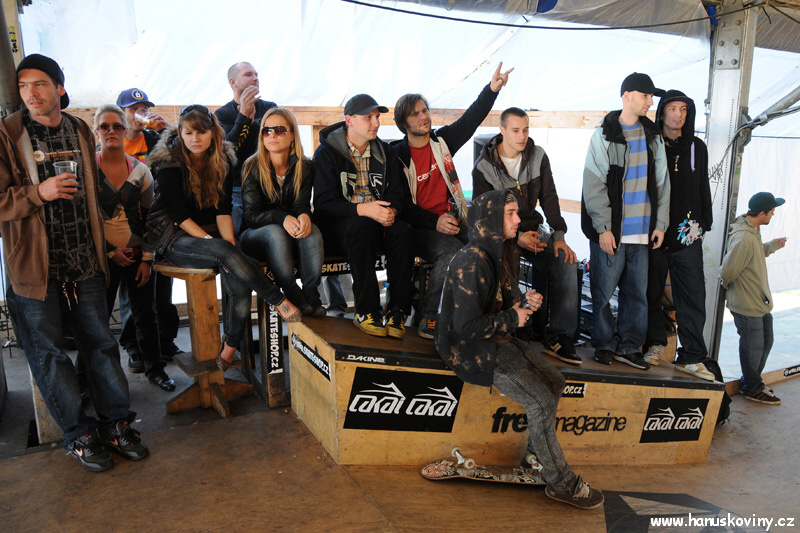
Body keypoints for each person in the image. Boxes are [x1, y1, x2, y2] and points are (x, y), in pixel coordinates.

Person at [0, 54, 148, 472]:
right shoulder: (7, 135)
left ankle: (116, 424)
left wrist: (118, 240)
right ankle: (79, 434)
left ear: (59, 88)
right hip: (35, 268)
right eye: (24, 85)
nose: (31, 93)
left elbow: (94, 191)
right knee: (49, 354)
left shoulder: (79, 128)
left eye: (40, 84)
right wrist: (38, 193)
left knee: (101, 345)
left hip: (84, 260)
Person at [435, 189, 603, 509]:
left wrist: (523, 303)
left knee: (555, 382)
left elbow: (499, 303)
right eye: (510, 214)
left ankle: (535, 457)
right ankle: (563, 483)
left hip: (496, 338)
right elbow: (466, 327)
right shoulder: (473, 260)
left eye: (517, 212)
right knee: (540, 401)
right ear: (490, 219)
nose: (518, 220)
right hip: (472, 349)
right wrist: (513, 316)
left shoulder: (500, 250)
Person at [147, 105, 301, 372]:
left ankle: (229, 348)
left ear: (213, 133)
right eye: (189, 133)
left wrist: (229, 243)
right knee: (225, 251)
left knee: (237, 276)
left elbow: (223, 209)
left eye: (201, 132)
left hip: (213, 233)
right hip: (174, 236)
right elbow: (180, 216)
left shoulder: (223, 159)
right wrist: (216, 244)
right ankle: (278, 299)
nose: (195, 138)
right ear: (180, 134)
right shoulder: (168, 162)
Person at [392, 62, 513, 340]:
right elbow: (402, 206)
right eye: (415, 114)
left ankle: (488, 317)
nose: (424, 117)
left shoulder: (442, 141)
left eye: (425, 110)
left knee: (489, 244)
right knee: (451, 253)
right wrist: (434, 221)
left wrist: (492, 89)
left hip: (452, 220)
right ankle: (430, 319)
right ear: (403, 123)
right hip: (419, 227)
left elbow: (471, 119)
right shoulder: (396, 155)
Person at [474, 107, 581, 365]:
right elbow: (483, 216)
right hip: (504, 236)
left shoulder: (538, 155)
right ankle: (511, 328)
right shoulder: (484, 167)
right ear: (502, 131)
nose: (522, 136)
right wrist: (517, 236)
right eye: (515, 130)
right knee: (504, 265)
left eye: (525, 130)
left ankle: (559, 338)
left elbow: (550, 197)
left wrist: (559, 237)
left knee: (566, 260)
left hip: (534, 230)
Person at [582, 72, 670, 370]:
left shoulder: (653, 136)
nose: (650, 102)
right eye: (646, 96)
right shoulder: (604, 135)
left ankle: (630, 346)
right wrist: (603, 228)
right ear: (627, 96)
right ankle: (605, 344)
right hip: (613, 232)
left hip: (643, 232)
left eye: (651, 97)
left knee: (637, 295)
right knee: (603, 293)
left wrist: (660, 224)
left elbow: (662, 183)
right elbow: (593, 184)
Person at [313, 94, 412, 338]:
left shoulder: (386, 152)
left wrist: (392, 211)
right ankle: (366, 311)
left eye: (377, 117)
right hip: (339, 229)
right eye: (368, 117)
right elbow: (324, 205)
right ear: (349, 120)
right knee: (360, 226)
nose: (376, 123)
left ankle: (398, 311)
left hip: (376, 223)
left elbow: (398, 194)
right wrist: (364, 209)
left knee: (402, 230)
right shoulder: (327, 153)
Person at [93, 104, 175, 392]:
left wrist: (147, 259)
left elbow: (151, 218)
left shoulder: (140, 170)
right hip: (102, 258)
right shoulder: (87, 171)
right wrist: (109, 252)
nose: (111, 131)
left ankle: (155, 369)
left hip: (137, 254)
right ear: (96, 131)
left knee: (146, 315)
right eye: (105, 126)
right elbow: (85, 220)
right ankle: (91, 379)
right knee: (96, 321)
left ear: (124, 129)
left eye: (117, 126)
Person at [642, 90, 714, 380]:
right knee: (650, 291)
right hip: (655, 233)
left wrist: (704, 223)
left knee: (693, 296)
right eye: (673, 108)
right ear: (662, 112)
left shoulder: (697, 147)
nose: (678, 114)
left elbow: (703, 185)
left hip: (688, 234)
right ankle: (654, 344)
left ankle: (692, 356)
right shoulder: (650, 144)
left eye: (683, 109)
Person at [115, 87, 182, 369]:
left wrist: (167, 130)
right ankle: (134, 346)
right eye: (133, 109)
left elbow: (182, 158)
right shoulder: (112, 144)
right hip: (127, 225)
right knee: (133, 291)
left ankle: (165, 341)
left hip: (157, 221)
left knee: (163, 286)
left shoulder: (155, 139)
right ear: (122, 114)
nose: (140, 114)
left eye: (143, 108)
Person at [240, 108, 325, 317]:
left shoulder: (305, 166)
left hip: (289, 234)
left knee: (312, 231)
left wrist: (304, 215)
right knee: (275, 232)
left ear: (293, 134)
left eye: (279, 130)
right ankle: (291, 291)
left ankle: (311, 295)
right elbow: (251, 216)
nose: (272, 135)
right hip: (255, 235)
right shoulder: (251, 166)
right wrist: (281, 218)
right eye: (266, 130)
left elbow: (301, 205)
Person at [719, 192, 787, 405]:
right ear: (762, 213)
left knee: (765, 342)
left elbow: (753, 255)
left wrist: (772, 246)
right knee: (753, 348)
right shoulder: (744, 237)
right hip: (747, 304)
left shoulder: (753, 232)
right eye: (772, 211)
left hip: (758, 303)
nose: (773, 214)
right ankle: (753, 388)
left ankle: (750, 381)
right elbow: (727, 271)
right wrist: (735, 291)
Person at [214, 62, 277, 238]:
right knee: (233, 231)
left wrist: (250, 122)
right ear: (232, 82)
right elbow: (230, 152)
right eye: (248, 74)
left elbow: (272, 141)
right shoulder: (223, 114)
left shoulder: (269, 107)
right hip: (236, 185)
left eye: (256, 74)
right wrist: (243, 117)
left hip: (266, 181)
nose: (255, 78)